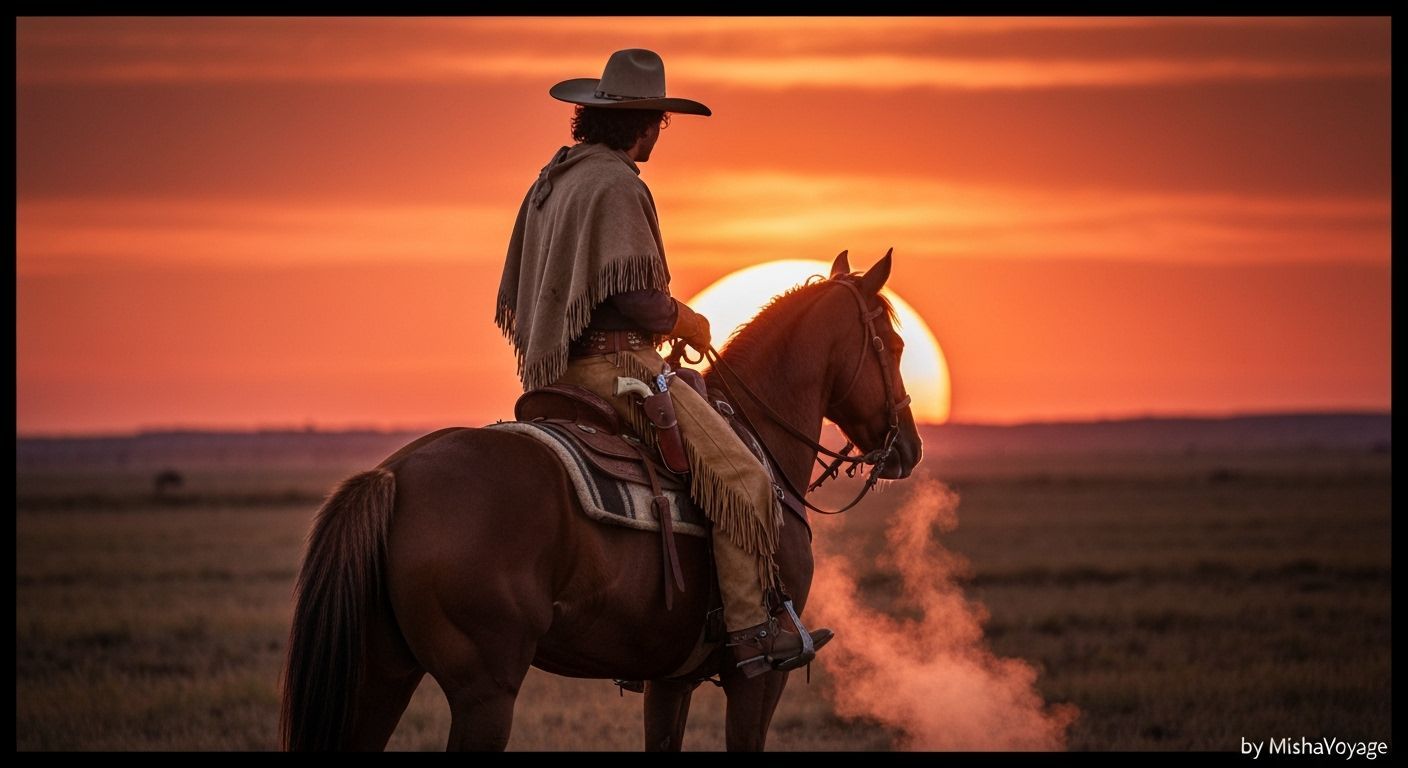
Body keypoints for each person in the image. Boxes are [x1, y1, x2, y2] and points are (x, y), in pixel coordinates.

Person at [495, 49, 831, 678]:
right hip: (617, 372)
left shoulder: (555, 179)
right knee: (743, 479)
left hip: (559, 373)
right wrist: (689, 321)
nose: (658, 135)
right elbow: (635, 299)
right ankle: (750, 633)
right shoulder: (618, 184)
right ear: (647, 122)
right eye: (658, 122)